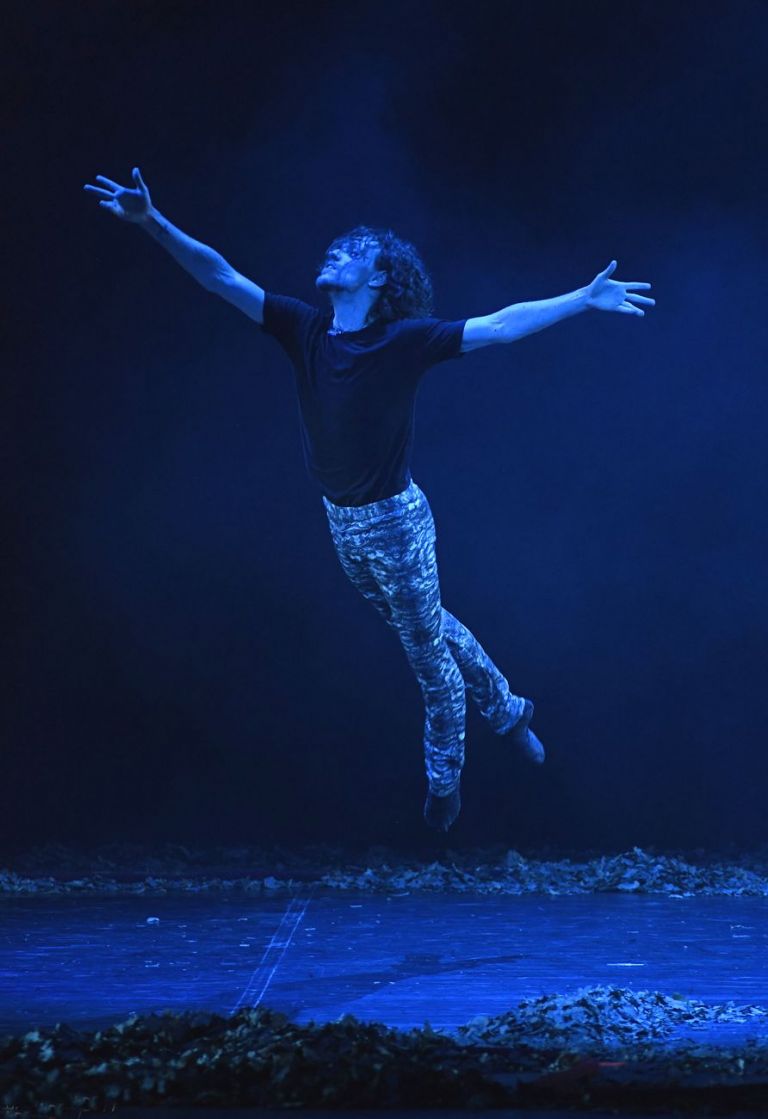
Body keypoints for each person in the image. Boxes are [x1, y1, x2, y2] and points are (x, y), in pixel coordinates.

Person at [84, 167, 655, 832]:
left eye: (352, 252)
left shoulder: (403, 342)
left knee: (426, 658)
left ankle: (445, 784)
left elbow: (499, 326)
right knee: (433, 628)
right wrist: (152, 221)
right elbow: (220, 277)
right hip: (342, 525)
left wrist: (581, 300)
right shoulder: (305, 331)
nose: (334, 253)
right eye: (335, 247)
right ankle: (509, 711)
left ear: (380, 279)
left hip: (397, 525)